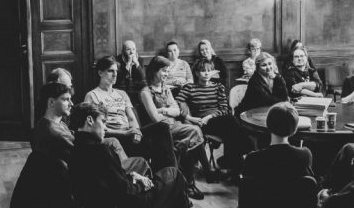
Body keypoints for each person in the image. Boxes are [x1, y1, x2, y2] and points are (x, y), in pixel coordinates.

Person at [67, 103, 194, 208]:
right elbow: (127, 194)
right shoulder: (101, 151)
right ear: (90, 120)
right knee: (174, 176)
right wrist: (146, 186)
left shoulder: (75, 150)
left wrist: (132, 176)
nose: (105, 128)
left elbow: (108, 182)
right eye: (103, 122)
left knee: (171, 184)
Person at [240, 103, 314, 208]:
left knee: (256, 200)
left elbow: (247, 198)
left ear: (268, 125)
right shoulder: (305, 155)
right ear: (295, 128)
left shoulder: (253, 159)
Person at [33, 82, 149, 174]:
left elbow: (73, 138)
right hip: (83, 168)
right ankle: (125, 175)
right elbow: (81, 152)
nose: (71, 104)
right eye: (66, 99)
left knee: (112, 141)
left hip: (79, 156)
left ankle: (124, 169)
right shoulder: (54, 131)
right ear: (51, 102)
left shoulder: (51, 122)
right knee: (141, 162)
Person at [84, 56, 179, 168]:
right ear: (100, 73)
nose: (115, 74)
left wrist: (136, 132)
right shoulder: (92, 95)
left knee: (162, 127)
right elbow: (96, 127)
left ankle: (170, 173)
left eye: (116, 71)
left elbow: (131, 118)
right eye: (110, 71)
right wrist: (125, 133)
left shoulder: (121, 93)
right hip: (115, 136)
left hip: (130, 134)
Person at [140, 57, 207, 200]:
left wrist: (162, 110)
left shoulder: (166, 89)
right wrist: (168, 111)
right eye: (164, 71)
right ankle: (203, 175)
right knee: (194, 131)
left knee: (190, 139)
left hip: (174, 125)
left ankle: (188, 184)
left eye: (168, 71)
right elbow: (155, 118)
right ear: (154, 71)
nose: (166, 74)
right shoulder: (146, 92)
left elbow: (177, 111)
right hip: (160, 131)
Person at [176, 58, 250, 176]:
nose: (206, 73)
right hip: (201, 123)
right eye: (203, 71)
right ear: (196, 73)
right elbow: (176, 103)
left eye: (209, 70)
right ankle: (239, 157)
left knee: (231, 129)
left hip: (217, 120)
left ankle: (232, 167)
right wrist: (189, 118)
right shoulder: (190, 87)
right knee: (233, 124)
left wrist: (209, 117)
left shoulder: (218, 87)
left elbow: (224, 109)